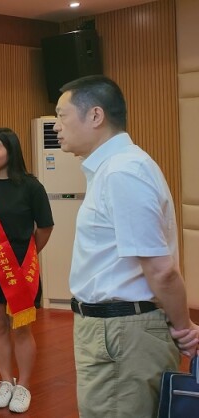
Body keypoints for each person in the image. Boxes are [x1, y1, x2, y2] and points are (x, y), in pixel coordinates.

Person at [54, 74, 199, 417]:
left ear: (95, 115)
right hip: (114, 332)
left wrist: (184, 328)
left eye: (61, 115)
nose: (57, 126)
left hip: (121, 334)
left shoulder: (123, 171)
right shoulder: (113, 168)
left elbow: (161, 271)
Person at [0, 128, 53, 413]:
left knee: (22, 328)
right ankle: (6, 381)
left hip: (21, 267)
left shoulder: (31, 186)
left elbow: (45, 227)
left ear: (11, 151)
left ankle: (24, 385)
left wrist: (28, 255)